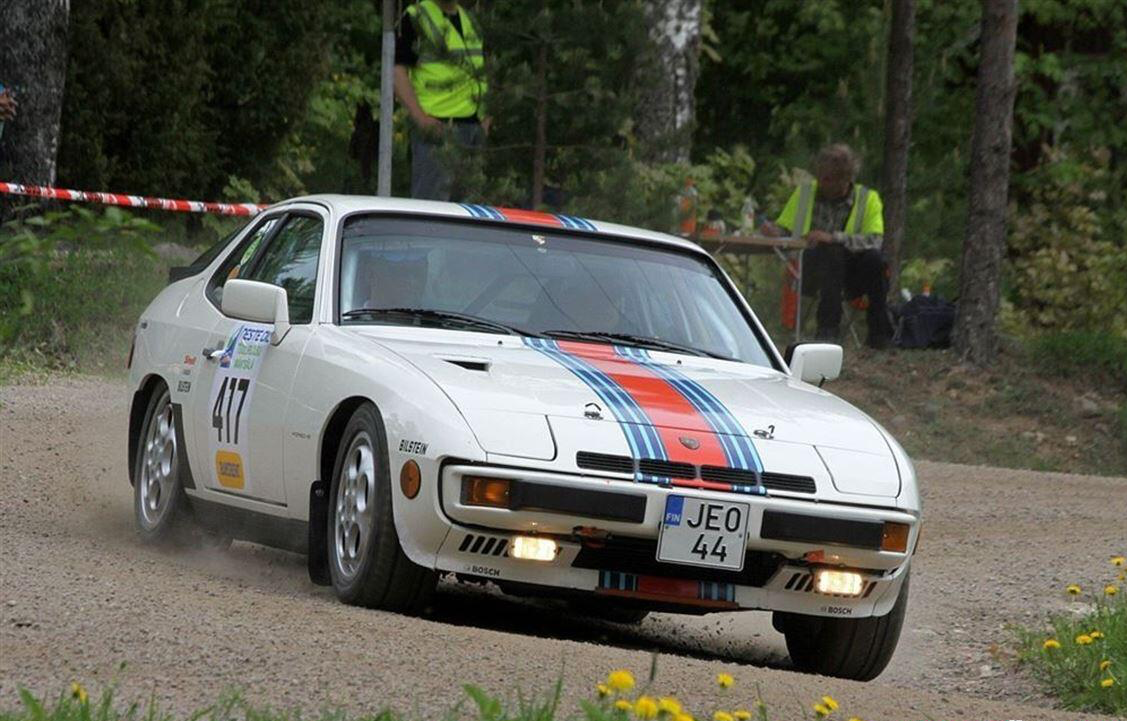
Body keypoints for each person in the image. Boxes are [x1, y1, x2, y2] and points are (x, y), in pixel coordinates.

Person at [763, 143, 892, 348]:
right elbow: (785, 229)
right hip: (808, 270)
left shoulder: (869, 199)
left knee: (875, 260)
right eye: (820, 176)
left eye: (827, 178)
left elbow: (874, 240)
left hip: (854, 275)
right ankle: (827, 331)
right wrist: (773, 230)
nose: (821, 182)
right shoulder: (805, 194)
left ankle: (880, 333)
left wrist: (834, 238)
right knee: (831, 254)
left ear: (846, 178)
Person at [393, 0, 489, 201]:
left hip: (473, 128)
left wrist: (487, 117)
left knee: (471, 211)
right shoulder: (416, 17)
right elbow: (397, 71)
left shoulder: (470, 19)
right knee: (431, 209)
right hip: (437, 128)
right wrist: (420, 118)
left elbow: (484, 69)